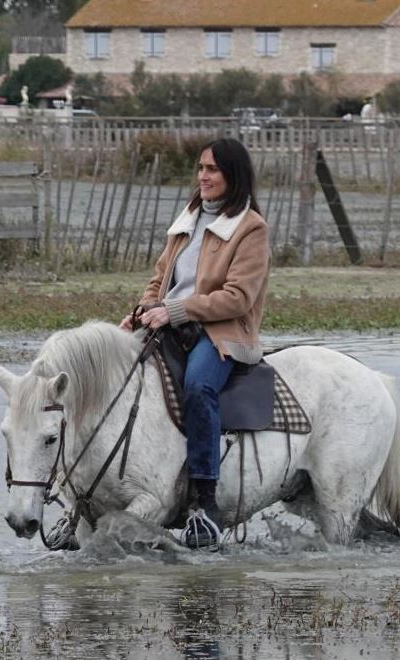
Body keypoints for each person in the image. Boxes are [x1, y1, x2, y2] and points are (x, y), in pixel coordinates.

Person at [119, 137, 269, 549]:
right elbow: (160, 276)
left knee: (199, 388)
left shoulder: (250, 228)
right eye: (201, 168)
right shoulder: (188, 217)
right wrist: (143, 309)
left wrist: (175, 311)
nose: (203, 176)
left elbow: (238, 297)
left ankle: (205, 502)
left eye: (213, 170)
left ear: (232, 176)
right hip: (171, 321)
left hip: (223, 332)